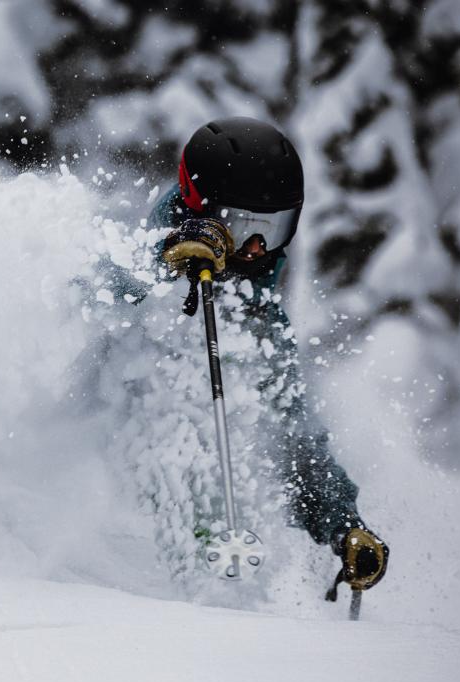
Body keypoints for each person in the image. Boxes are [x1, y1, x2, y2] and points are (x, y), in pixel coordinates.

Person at [148, 117, 389, 595]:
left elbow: (294, 438)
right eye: (242, 227)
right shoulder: (142, 248)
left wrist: (343, 525)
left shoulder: (261, 319)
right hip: (104, 517)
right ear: (200, 208)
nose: (257, 247)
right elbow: (99, 296)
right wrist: (166, 258)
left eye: (274, 228)